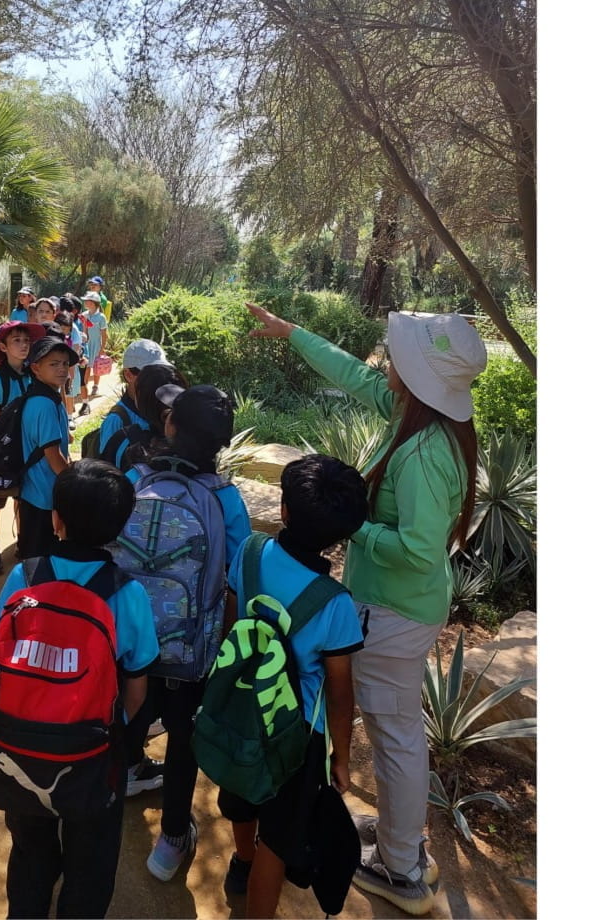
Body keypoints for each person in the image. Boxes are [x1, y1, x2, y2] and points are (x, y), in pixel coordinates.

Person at [244, 301, 483, 916]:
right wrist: (293, 333)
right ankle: (402, 841)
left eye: (396, 355)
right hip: (396, 606)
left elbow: (422, 552)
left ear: (417, 373)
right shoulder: (415, 414)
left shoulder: (426, 452)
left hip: (397, 610)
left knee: (395, 735)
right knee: (397, 729)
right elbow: (355, 374)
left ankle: (402, 866)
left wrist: (355, 528)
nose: (386, 363)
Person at [0, 459, 158, 920]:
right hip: (92, 754)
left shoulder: (26, 576)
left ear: (55, 519)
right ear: (121, 529)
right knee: (92, 856)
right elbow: (137, 686)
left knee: (29, 846)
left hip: (22, 747)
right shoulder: (127, 594)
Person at [217, 454, 369, 916]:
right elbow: (340, 694)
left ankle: (241, 861)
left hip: (239, 708)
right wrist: (340, 756)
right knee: (278, 841)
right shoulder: (335, 604)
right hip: (295, 735)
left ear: (283, 509)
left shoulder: (249, 552)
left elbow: (230, 624)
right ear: (341, 537)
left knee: (240, 798)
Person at [123, 384, 255, 885]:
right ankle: (171, 839)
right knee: (184, 740)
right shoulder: (225, 499)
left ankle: (115, 786)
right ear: (221, 443)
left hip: (131, 642)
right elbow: (239, 578)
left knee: (128, 717)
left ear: (170, 425)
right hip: (192, 650)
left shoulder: (134, 479)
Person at [0, 320, 43, 574]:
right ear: (2, 347)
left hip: (27, 450)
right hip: (2, 451)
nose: (24, 345)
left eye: (26, 341)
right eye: (16, 340)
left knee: (22, 496)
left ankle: (21, 541)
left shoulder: (32, 375)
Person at [15, 335, 80, 563]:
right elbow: (53, 456)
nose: (62, 369)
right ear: (36, 368)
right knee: (38, 559)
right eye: (53, 364)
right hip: (43, 496)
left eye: (64, 364)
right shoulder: (44, 404)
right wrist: (75, 486)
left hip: (35, 493)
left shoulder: (47, 397)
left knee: (34, 553)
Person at [91, 340, 170, 471]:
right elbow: (107, 470)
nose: (158, 378)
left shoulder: (162, 409)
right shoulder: (117, 420)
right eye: (150, 374)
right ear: (128, 375)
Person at [80, 292, 108, 401]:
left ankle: (95, 386)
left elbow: (104, 334)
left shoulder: (101, 317)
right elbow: (84, 331)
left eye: (87, 300)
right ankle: (84, 386)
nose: (85, 302)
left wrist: (102, 348)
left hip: (97, 344)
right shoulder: (84, 315)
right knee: (86, 366)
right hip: (87, 344)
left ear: (94, 303)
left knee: (96, 367)